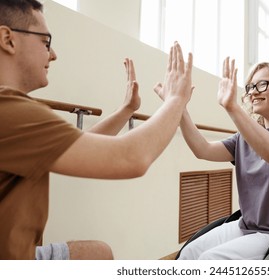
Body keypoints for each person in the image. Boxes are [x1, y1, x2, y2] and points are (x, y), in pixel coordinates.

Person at [0, 0, 193, 260]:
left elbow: (80, 145)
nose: (53, 54)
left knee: (98, 253)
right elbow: (131, 157)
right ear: (7, 39)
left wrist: (126, 110)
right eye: (46, 42)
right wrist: (176, 100)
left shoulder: (12, 110)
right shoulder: (9, 110)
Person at [158, 57, 269, 259]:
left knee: (210, 260)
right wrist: (179, 106)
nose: (252, 91)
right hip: (248, 226)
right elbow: (203, 149)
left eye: (262, 84)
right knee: (189, 253)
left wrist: (232, 107)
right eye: (250, 86)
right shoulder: (246, 137)